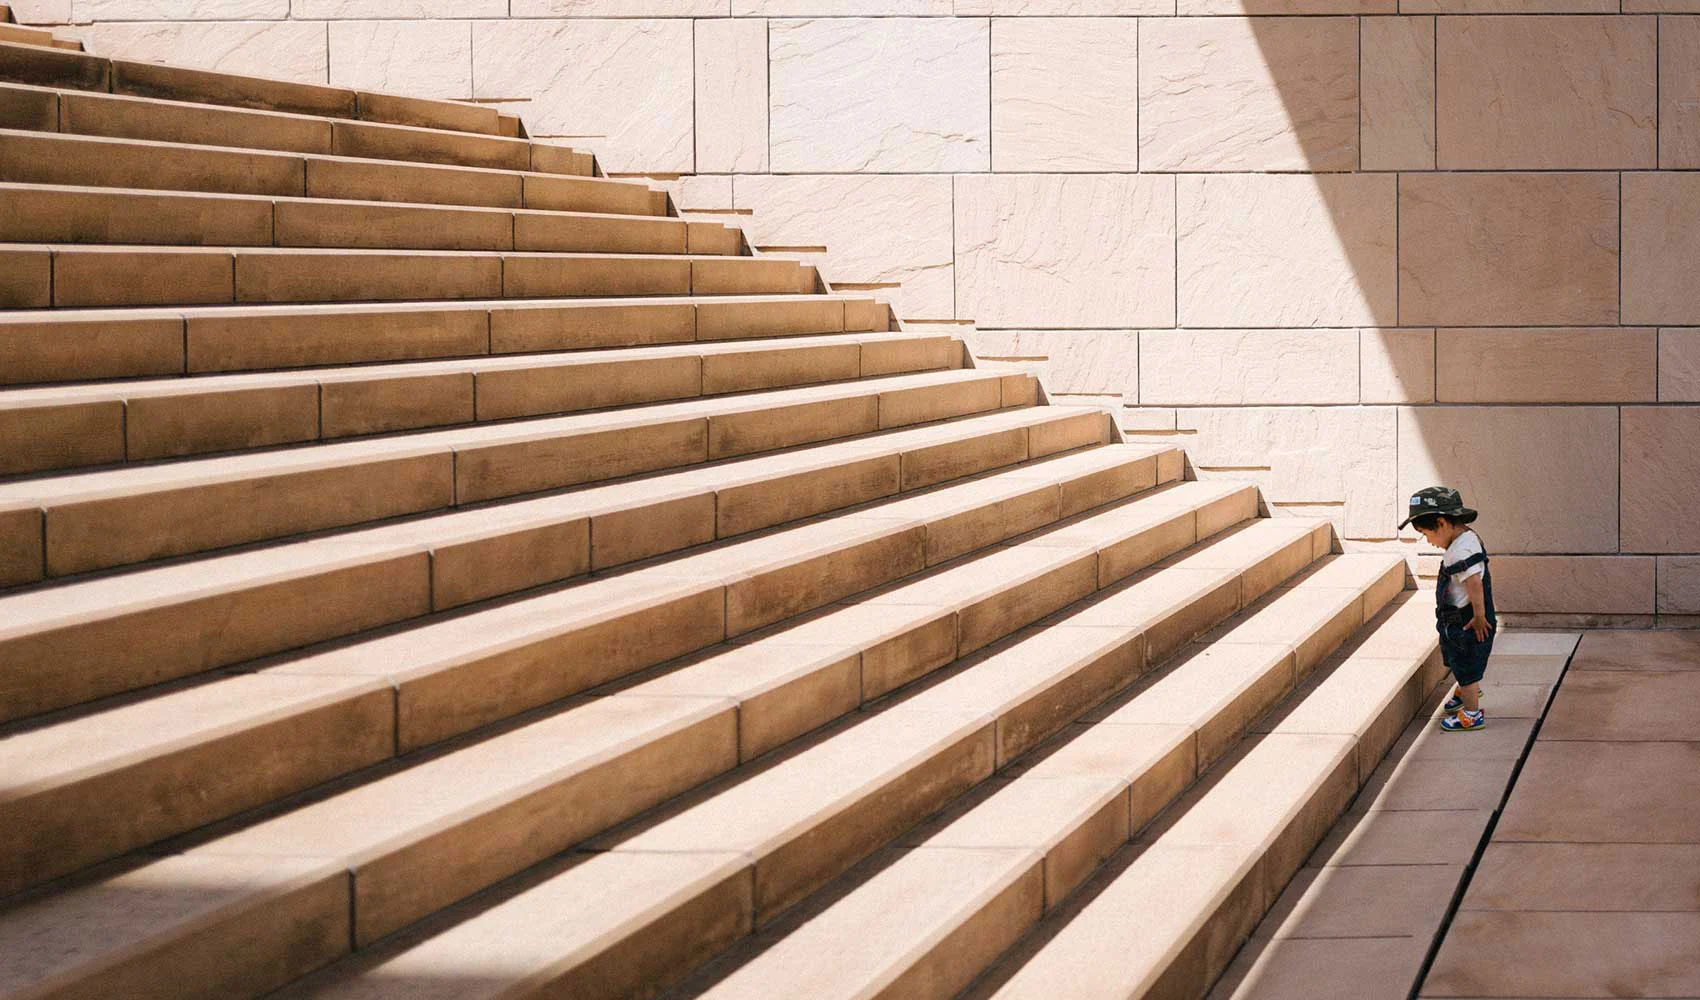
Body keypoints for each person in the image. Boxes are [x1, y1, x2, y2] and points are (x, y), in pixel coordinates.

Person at [1399, 487, 1495, 732]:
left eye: (1426, 534)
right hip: (1461, 617)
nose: (1429, 541)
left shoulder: (1459, 552)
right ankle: (1465, 690)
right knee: (1460, 659)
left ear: (1441, 523)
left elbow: (1474, 582)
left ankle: (1472, 713)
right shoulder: (1467, 538)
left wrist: (1479, 616)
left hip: (1466, 620)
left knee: (1466, 663)